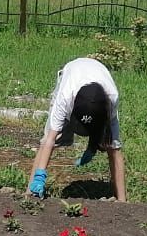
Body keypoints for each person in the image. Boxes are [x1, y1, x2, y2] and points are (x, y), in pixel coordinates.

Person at [28, 58, 126, 201]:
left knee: (110, 144)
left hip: (100, 93)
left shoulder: (111, 100)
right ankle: (30, 192)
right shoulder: (65, 97)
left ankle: (122, 198)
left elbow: (115, 149)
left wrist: (123, 204)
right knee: (51, 138)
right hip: (73, 72)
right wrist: (40, 176)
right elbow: (50, 139)